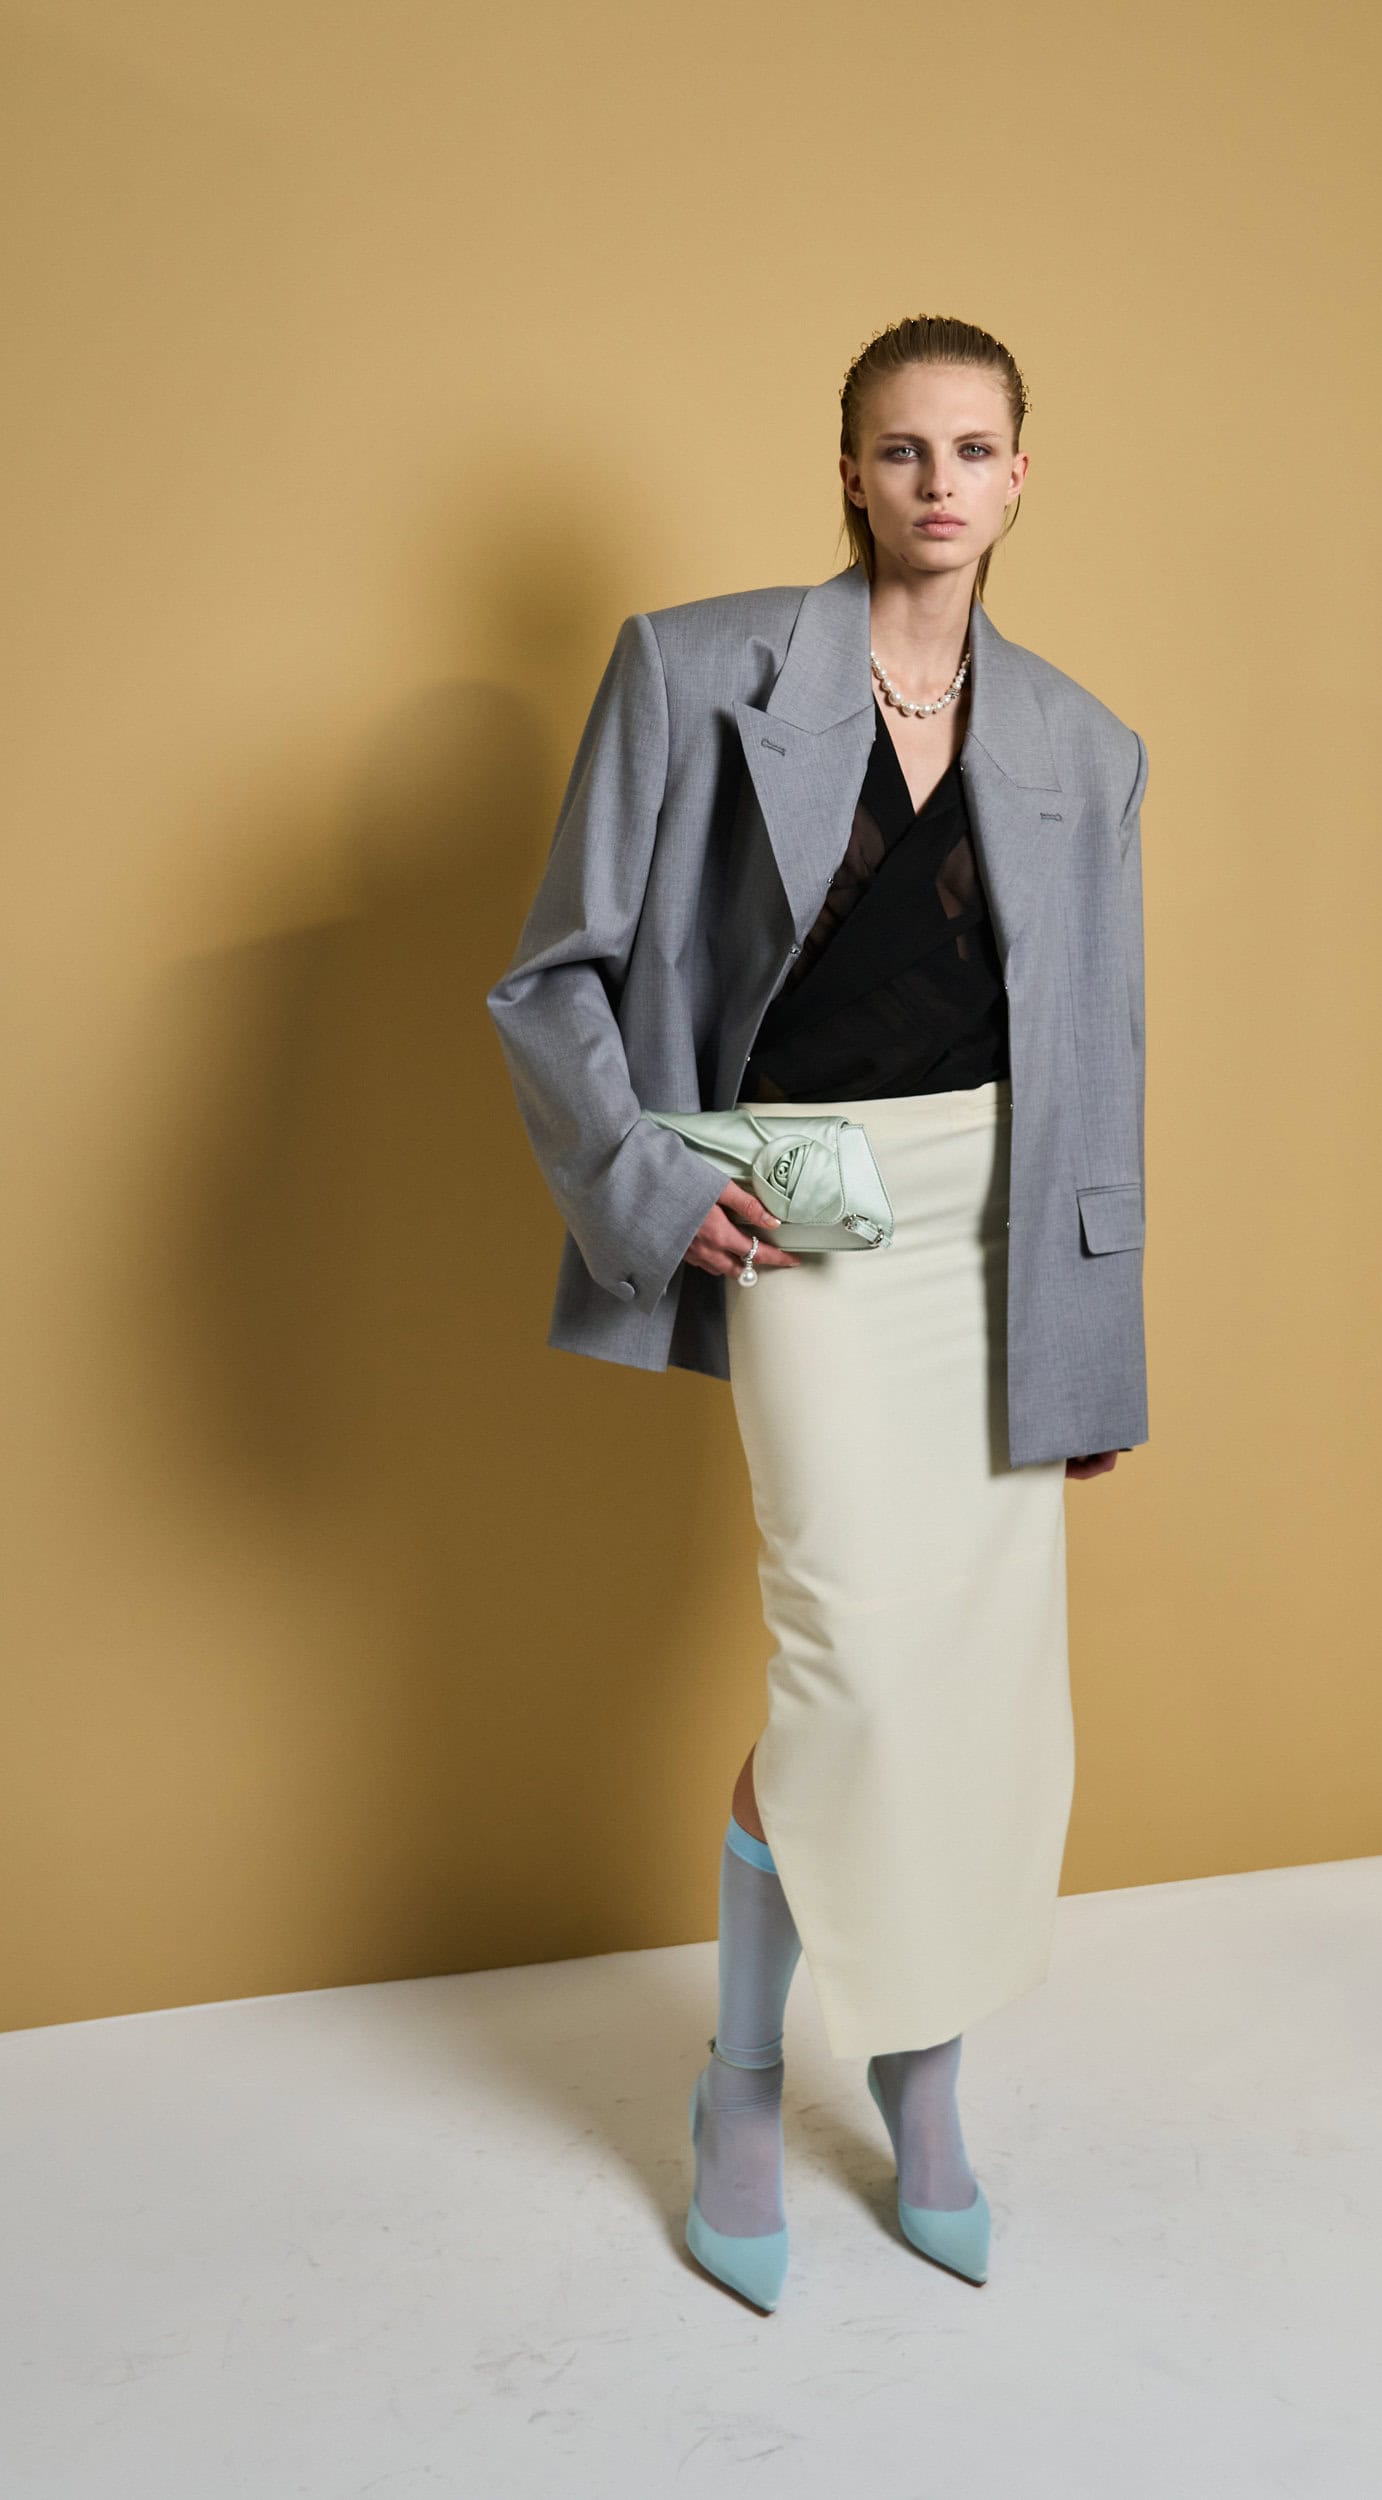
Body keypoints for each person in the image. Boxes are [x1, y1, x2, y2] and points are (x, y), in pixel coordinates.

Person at [485, 313, 1151, 2312]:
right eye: (902, 448)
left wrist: (1091, 1341)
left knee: (984, 1687)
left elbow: (1101, 1061)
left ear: (1023, 475)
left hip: (994, 1224)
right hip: (804, 1201)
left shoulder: (1087, 746)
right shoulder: (695, 670)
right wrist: (650, 1179)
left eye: (974, 448)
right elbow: (553, 976)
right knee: (851, 1662)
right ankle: (750, 2083)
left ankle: (926, 2083)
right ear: (848, 470)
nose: (940, 482)